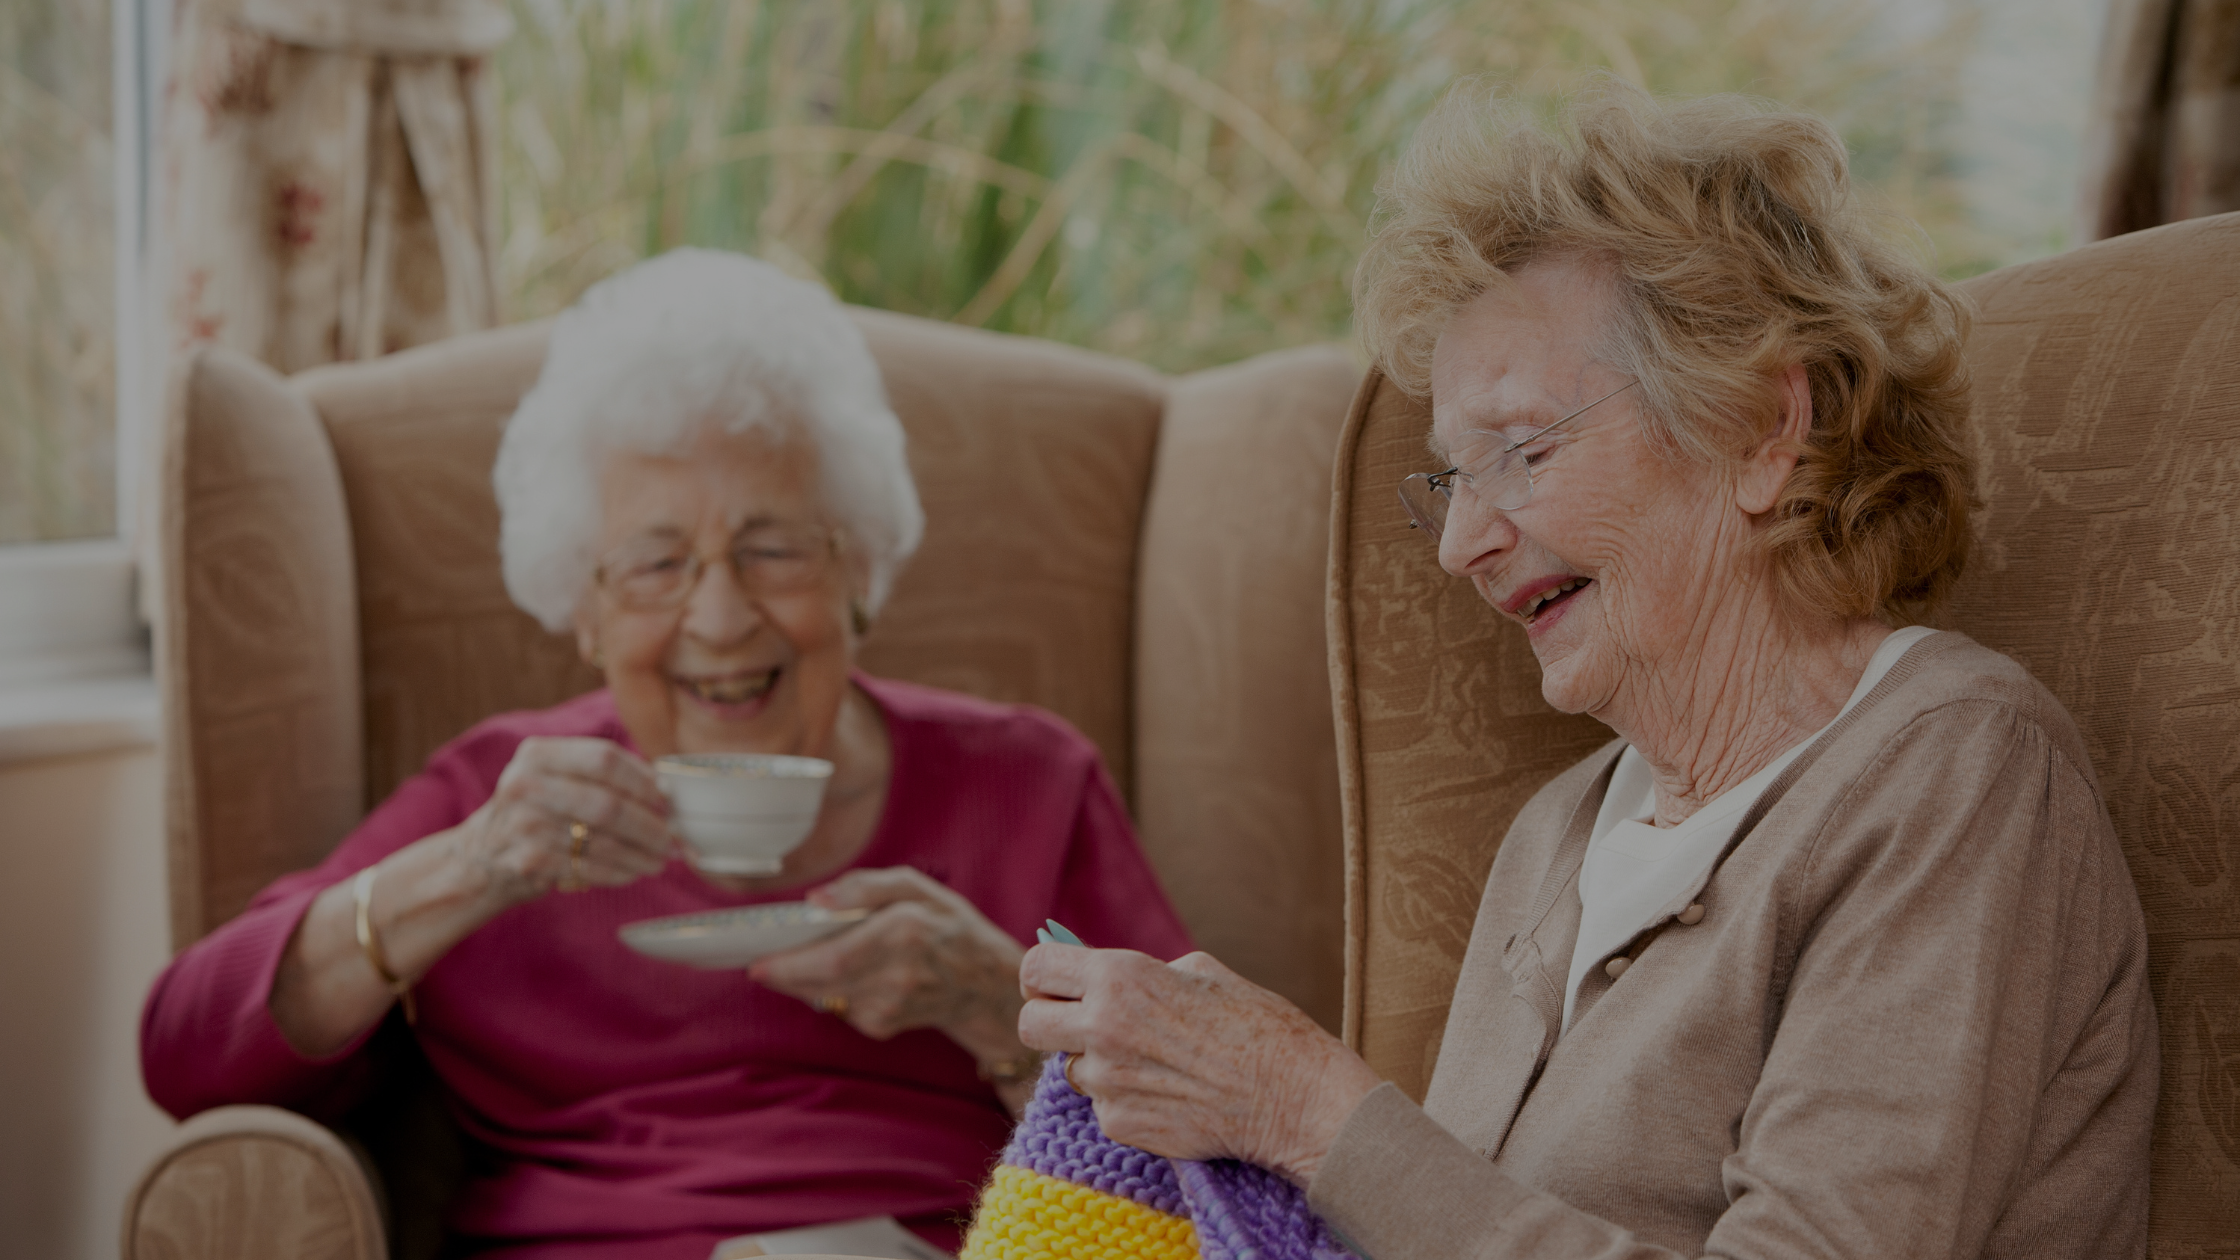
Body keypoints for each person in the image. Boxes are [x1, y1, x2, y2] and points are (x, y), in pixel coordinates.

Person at [1015, 82, 2157, 1259]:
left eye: (1520, 449)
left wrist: (1302, 1108)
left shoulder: (1956, 773)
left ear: (1761, 431)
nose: (1460, 545)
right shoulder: (1557, 833)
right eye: (1450, 480)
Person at [141, 249, 1193, 1260]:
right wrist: (467, 868)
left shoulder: (1028, 783)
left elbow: (1210, 1147)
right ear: (584, 611)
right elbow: (185, 1053)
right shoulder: (500, 799)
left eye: (774, 549)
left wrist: (991, 1004)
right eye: (655, 564)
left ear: (860, 576)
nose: (721, 618)